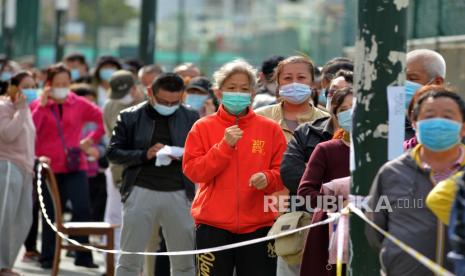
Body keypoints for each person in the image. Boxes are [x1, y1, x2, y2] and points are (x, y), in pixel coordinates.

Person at [183, 59, 287, 276]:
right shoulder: (203, 127)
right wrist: (224, 147)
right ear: (218, 92)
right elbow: (193, 170)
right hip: (212, 226)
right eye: (231, 88)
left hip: (260, 225)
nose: (238, 93)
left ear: (252, 93)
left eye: (244, 88)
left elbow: (284, 172)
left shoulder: (270, 129)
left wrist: (268, 178)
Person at [107, 72, 198, 276]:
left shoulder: (191, 116)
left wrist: (182, 154)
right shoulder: (130, 116)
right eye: (163, 101)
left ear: (182, 97)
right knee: (129, 260)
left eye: (174, 102)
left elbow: (201, 152)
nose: (168, 106)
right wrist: (144, 154)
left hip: (180, 192)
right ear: (150, 93)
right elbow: (113, 153)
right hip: (140, 189)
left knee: (184, 262)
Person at [366, 86, 462, 276]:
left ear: (463, 127)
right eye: (429, 116)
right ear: (415, 123)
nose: (438, 123)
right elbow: (375, 230)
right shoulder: (392, 172)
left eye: (448, 117)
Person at [31, 64, 105, 269]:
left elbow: (101, 120)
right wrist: (42, 106)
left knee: (82, 209)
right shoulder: (39, 104)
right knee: (51, 214)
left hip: (75, 166)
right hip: (48, 168)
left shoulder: (79, 103)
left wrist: (90, 140)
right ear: (48, 85)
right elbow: (31, 129)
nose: (62, 87)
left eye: (66, 83)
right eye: (58, 84)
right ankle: (48, 257)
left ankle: (83, 256)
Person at [297, 87, 353, 276]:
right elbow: (305, 193)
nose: (351, 113)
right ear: (336, 116)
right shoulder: (326, 149)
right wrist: (339, 204)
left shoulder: (382, 151)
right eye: (344, 109)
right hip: (329, 230)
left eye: (356, 107)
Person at [280, 70, 353, 196]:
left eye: (346, 91)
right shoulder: (307, 132)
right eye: (333, 91)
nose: (338, 96)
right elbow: (290, 173)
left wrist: (316, 172)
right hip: (312, 209)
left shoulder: (376, 140)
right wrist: (332, 189)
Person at [102, 70, 144, 269]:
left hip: (141, 170)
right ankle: (112, 263)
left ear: (135, 88)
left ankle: (136, 265)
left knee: (138, 220)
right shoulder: (110, 105)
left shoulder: (146, 105)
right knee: (115, 218)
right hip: (118, 168)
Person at [0, 72, 36, 276]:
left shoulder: (25, 109)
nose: (30, 90)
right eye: (25, 86)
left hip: (25, 170)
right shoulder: (4, 107)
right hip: (7, 167)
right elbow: (8, 134)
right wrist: (20, 110)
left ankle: (6, 264)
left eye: (33, 86)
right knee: (4, 218)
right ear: (12, 87)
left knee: (23, 220)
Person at [256, 55, 329, 143]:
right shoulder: (260, 117)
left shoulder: (327, 121)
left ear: (312, 83)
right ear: (278, 84)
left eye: (301, 77)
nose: (294, 83)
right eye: (288, 78)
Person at [72, 83, 108, 222]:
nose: (90, 106)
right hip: (70, 170)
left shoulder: (97, 121)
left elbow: (104, 145)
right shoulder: (67, 120)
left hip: (92, 172)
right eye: (86, 102)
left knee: (86, 209)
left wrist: (97, 151)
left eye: (92, 102)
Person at [404, 49, 447, 140]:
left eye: (412, 78)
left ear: (437, 82)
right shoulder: (390, 121)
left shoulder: (453, 125)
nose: (404, 84)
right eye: (401, 78)